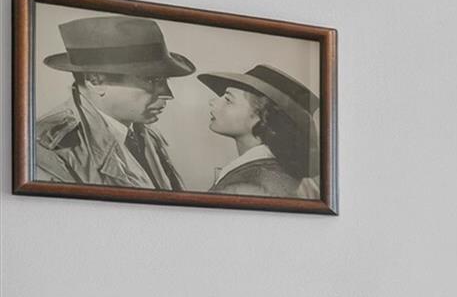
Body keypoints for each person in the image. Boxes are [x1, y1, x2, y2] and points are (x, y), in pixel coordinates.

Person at [33, 15, 193, 189]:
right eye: (151, 79)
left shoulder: (146, 136)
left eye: (165, 80)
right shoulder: (48, 148)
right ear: (96, 81)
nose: (168, 94)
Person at [196, 64, 318, 198]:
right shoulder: (276, 173)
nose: (212, 102)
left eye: (228, 99)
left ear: (263, 117)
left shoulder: (248, 185)